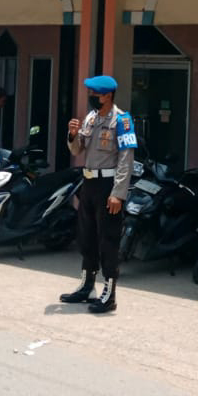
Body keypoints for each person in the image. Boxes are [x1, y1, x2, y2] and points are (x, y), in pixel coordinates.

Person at [60, 75, 136, 314]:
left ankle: (109, 293)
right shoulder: (91, 118)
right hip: (89, 183)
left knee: (108, 240)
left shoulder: (122, 120)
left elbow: (126, 159)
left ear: (108, 95)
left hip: (108, 186)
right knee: (87, 237)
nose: (91, 97)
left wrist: (118, 194)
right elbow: (77, 149)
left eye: (95, 94)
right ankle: (87, 286)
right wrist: (73, 135)